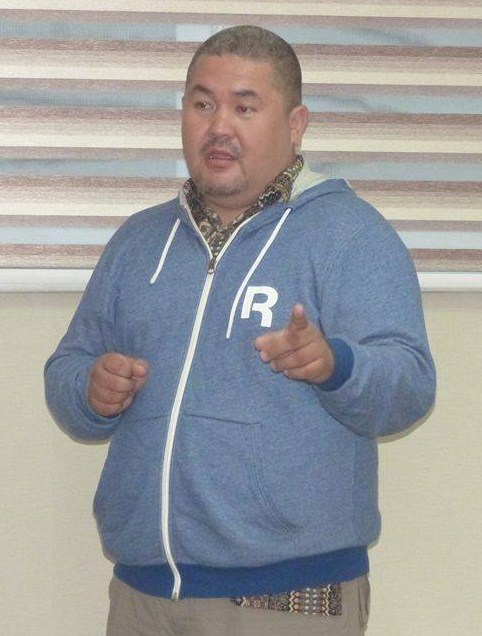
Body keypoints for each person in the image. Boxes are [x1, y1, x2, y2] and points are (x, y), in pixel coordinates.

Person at [44, 25, 436, 636]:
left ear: (296, 124)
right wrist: (89, 391)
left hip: (288, 597)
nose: (219, 126)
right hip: (143, 595)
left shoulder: (352, 236)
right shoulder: (139, 241)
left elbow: (409, 385)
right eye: (203, 104)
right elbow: (68, 368)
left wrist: (336, 365)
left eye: (245, 108)